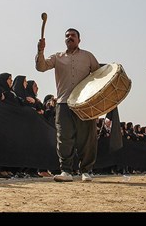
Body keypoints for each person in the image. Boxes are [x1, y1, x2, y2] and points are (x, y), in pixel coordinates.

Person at [35, 28, 99, 182]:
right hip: (63, 103)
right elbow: (41, 67)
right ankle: (66, 171)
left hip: (84, 103)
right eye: (67, 36)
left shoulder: (88, 56)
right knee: (64, 137)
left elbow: (99, 76)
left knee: (87, 138)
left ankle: (86, 171)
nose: (70, 38)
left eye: (73, 35)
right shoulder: (57, 57)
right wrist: (40, 50)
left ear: (79, 39)